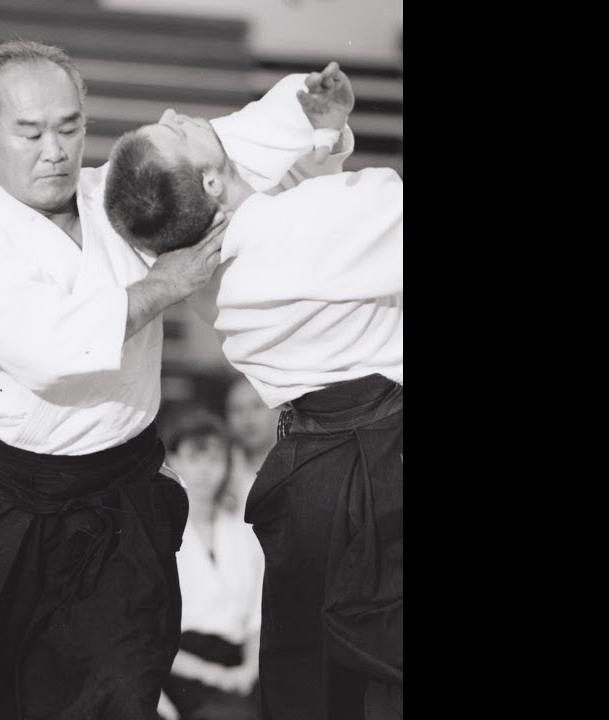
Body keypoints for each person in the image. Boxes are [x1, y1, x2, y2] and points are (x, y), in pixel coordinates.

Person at [0, 40, 351, 720]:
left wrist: (303, 110)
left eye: (70, 125)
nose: (55, 149)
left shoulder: (116, 195)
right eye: (30, 132)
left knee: (119, 694)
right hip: (7, 503)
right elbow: (51, 351)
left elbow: (217, 148)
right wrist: (159, 285)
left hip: (120, 499)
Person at [103, 63, 403, 720]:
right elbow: (372, 209)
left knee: (322, 677)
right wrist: (319, 145)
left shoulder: (216, 266)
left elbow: (299, 217)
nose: (178, 116)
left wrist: (322, 138)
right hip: (380, 458)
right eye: (174, 132)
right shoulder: (303, 225)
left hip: (310, 472)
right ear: (210, 180)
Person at [159, 404, 264, 720]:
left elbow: (258, 616)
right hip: (182, 664)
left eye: (214, 459)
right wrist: (213, 675)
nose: (205, 470)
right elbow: (152, 634)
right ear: (172, 461)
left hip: (242, 661)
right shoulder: (160, 532)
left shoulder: (241, 529)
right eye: (194, 457)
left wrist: (248, 670)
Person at [223, 377, 278, 518]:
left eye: (257, 406)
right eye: (237, 410)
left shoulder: (299, 467)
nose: (247, 419)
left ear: (278, 411)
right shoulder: (221, 470)